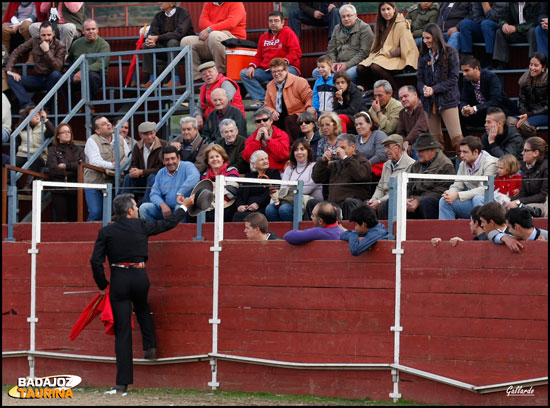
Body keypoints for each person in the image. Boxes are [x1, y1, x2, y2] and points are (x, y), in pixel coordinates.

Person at [90, 192, 195, 395]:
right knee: (142, 307)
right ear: (130, 211)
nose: (138, 210)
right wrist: (184, 207)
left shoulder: (106, 232)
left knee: (123, 331)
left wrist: (102, 284)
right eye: (136, 207)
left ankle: (122, 383)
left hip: (119, 278)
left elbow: (95, 261)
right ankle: (150, 345)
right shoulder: (142, 225)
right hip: (140, 276)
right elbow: (169, 224)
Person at [417, 23, 463, 154]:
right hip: (428, 101)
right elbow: (419, 79)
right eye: (423, 38)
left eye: (428, 38)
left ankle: (466, 170)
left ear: (436, 37)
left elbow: (453, 79)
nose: (425, 41)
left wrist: (434, 89)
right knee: (435, 143)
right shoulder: (423, 56)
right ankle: (439, 171)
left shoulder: (451, 52)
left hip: (447, 99)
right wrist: (424, 89)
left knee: (457, 139)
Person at [240, 10, 301, 108]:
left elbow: (295, 52)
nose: (273, 23)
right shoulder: (263, 37)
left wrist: (283, 63)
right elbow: (259, 56)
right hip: (268, 70)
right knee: (244, 73)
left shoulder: (289, 34)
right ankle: (263, 100)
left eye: (276, 21)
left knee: (282, 73)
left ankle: (281, 100)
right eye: (271, 21)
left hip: (288, 68)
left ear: (282, 22)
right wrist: (252, 66)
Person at [356, 2, 419, 94]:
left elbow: (407, 46)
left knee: (375, 67)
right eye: (383, 10)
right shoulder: (381, 24)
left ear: (394, 9)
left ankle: (395, 92)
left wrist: (389, 54)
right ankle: (372, 91)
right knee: (360, 68)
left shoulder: (401, 24)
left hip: (398, 57)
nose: (386, 12)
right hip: (382, 56)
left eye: (388, 9)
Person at [6, 21, 65, 113]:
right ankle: (28, 106)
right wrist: (10, 70)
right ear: (39, 34)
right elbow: (16, 52)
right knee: (12, 80)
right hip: (37, 78)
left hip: (51, 80)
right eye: (43, 35)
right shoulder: (35, 40)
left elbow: (57, 67)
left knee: (56, 74)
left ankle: (46, 109)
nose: (46, 38)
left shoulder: (60, 46)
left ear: (53, 33)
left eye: (49, 35)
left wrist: (47, 51)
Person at [311, 133, 372, 220]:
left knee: (349, 202)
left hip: (354, 204)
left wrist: (346, 158)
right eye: (338, 148)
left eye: (343, 148)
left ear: (353, 147)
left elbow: (360, 176)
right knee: (312, 203)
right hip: (333, 205)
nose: (339, 151)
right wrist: (323, 161)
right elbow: (316, 178)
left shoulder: (363, 162)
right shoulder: (335, 164)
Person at [179, 2, 247, 81]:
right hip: (213, 37)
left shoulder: (236, 3)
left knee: (215, 36)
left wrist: (210, 30)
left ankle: (221, 74)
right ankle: (197, 78)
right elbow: (202, 22)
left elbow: (231, 22)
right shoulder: (208, 3)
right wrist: (217, 30)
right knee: (186, 41)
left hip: (234, 40)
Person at [438, 136, 498, 220]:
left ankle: (481, 230)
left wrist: (458, 195)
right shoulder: (463, 163)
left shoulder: (490, 163)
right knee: (444, 201)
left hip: (493, 204)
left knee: (478, 198)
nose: (461, 155)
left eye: (465, 152)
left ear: (476, 152)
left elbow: (485, 189)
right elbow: (457, 184)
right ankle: (447, 232)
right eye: (460, 152)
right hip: (472, 201)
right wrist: (450, 193)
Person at [84, 116, 130, 221]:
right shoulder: (92, 140)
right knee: (96, 213)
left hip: (113, 182)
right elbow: (95, 162)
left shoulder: (120, 139)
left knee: (111, 213)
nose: (108, 124)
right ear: (97, 131)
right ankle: (89, 236)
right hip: (94, 183)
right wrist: (115, 165)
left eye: (108, 122)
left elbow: (128, 157)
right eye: (104, 124)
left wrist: (122, 165)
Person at [265, 139, 323, 222]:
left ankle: (293, 233)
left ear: (308, 151)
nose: (299, 152)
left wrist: (292, 189)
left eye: (302, 149)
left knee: (284, 209)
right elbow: (283, 188)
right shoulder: (289, 168)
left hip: (308, 203)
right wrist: (294, 190)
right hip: (289, 200)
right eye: (296, 150)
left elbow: (307, 189)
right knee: (269, 209)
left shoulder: (315, 167)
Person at [139, 145, 200, 222]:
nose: (170, 162)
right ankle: (153, 231)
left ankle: (179, 233)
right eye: (167, 160)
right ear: (163, 161)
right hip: (166, 209)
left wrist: (180, 193)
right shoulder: (161, 173)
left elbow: (195, 177)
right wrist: (162, 205)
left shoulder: (187, 166)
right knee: (144, 208)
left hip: (185, 208)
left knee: (179, 208)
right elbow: (154, 194)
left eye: (173, 158)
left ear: (178, 158)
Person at [140, 2, 194, 88]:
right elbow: (152, 31)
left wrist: (157, 38)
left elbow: (180, 33)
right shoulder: (158, 16)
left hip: (182, 50)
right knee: (146, 46)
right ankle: (152, 79)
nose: (159, 2)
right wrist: (151, 40)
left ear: (172, 3)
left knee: (172, 42)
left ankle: (175, 79)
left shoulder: (183, 13)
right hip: (164, 50)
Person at [460, 55, 518, 130]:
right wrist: (464, 108)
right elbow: (464, 99)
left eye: (467, 70)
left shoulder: (490, 77)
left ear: (476, 68)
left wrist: (474, 108)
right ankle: (463, 140)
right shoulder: (466, 80)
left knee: (491, 110)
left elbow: (496, 101)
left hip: (499, 111)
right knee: (458, 112)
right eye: (463, 71)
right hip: (481, 114)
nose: (464, 74)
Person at [264, 58, 314, 143]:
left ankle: (292, 147)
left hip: (298, 114)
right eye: (274, 72)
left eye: (279, 71)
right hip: (279, 116)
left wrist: (309, 108)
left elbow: (309, 98)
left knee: (289, 120)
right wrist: (272, 112)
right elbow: (267, 105)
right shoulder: (270, 86)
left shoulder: (299, 81)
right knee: (267, 122)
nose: (276, 74)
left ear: (286, 70)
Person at [321, 4, 374, 84]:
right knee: (317, 72)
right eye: (343, 16)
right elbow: (331, 50)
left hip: (356, 64)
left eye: (349, 15)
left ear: (355, 16)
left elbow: (364, 53)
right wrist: (333, 64)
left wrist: (347, 65)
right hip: (338, 63)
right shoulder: (337, 28)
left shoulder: (364, 28)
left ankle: (343, 94)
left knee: (345, 76)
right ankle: (331, 94)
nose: (346, 19)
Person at [406, 133, 455, 219]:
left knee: (426, 202)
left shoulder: (446, 165)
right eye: (417, 151)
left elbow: (441, 191)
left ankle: (432, 231)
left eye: (421, 151)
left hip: (432, 202)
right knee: (389, 203)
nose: (417, 154)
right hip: (415, 200)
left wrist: (419, 200)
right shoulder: (416, 165)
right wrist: (407, 199)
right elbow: (409, 185)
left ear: (432, 150)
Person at [367, 134, 415, 220]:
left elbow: (400, 191)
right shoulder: (386, 164)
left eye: (389, 147)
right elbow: (380, 187)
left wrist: (379, 201)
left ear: (399, 147)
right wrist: (373, 199)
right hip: (383, 199)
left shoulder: (411, 164)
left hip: (396, 200)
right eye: (385, 147)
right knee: (365, 206)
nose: (386, 151)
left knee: (383, 206)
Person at [121, 121, 167, 205]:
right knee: (128, 177)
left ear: (155, 132)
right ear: (140, 135)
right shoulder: (137, 146)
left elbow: (161, 169)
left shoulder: (163, 145)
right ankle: (124, 207)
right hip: (142, 178)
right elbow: (134, 163)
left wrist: (142, 172)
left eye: (151, 133)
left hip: (158, 179)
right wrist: (133, 171)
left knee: (152, 177)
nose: (149, 137)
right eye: (146, 134)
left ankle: (144, 206)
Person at [67, 19, 110, 107]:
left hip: (96, 76)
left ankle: (90, 104)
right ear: (83, 31)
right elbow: (70, 59)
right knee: (63, 80)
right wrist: (74, 72)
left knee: (91, 76)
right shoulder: (76, 44)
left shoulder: (104, 45)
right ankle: (73, 106)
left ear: (97, 30)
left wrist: (83, 71)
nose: (91, 31)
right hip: (78, 75)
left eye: (93, 29)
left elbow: (100, 65)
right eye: (88, 29)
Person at [46, 123, 84, 222]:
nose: (67, 134)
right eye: (64, 132)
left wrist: (66, 166)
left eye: (69, 132)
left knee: (75, 219)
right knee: (61, 219)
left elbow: (82, 167)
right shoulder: (52, 150)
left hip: (76, 187)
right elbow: (53, 170)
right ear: (58, 135)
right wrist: (74, 169)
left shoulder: (79, 149)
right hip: (59, 188)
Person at [232, 150, 281, 222]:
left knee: (255, 217)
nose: (265, 161)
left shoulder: (274, 173)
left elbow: (273, 192)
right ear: (254, 164)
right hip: (248, 207)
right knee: (237, 216)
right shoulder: (249, 176)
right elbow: (240, 194)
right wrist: (240, 205)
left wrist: (258, 204)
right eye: (261, 159)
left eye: (266, 158)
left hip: (264, 205)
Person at [451, 2, 506, 67]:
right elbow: (477, 18)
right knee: (465, 23)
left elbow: (496, 18)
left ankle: (490, 57)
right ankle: (467, 57)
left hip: (498, 28)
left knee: (486, 24)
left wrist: (485, 4)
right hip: (483, 28)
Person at [194, 61, 244, 129]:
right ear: (202, 78)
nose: (208, 75)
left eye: (210, 71)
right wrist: (198, 115)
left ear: (216, 72)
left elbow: (225, 103)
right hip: (212, 121)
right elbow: (199, 106)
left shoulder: (226, 82)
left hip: (230, 120)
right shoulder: (204, 88)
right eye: (204, 74)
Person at [15, 106, 53, 192]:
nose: (37, 116)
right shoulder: (21, 129)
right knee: (11, 163)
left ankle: (28, 186)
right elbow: (17, 144)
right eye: (34, 114)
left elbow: (52, 132)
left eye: (38, 114)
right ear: (26, 117)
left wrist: (46, 119)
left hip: (39, 156)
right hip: (23, 154)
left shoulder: (44, 127)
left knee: (36, 162)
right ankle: (16, 187)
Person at [506, 136, 548, 216]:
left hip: (544, 205)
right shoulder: (525, 166)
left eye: (526, 150)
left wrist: (518, 202)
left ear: (536, 153)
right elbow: (523, 193)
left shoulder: (546, 167)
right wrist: (507, 200)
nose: (522, 153)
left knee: (519, 210)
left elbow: (543, 196)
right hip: (530, 202)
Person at [510, 52, 548, 139]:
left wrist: (529, 115)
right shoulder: (525, 79)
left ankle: (534, 144)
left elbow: (546, 107)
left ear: (543, 67)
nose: (532, 68)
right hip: (528, 114)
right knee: (509, 121)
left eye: (536, 65)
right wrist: (524, 114)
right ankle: (522, 148)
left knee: (522, 124)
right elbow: (522, 101)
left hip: (544, 114)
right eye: (531, 64)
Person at [491, 2, 539, 70]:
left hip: (528, 31)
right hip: (516, 32)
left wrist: (516, 28)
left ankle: (532, 63)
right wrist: (504, 24)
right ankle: (502, 63)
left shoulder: (535, 3)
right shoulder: (511, 3)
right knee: (500, 32)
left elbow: (535, 22)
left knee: (533, 31)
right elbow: (504, 17)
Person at [241, 108, 290, 174]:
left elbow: (283, 156)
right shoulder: (251, 138)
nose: (262, 123)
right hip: (258, 174)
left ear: (271, 121)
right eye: (258, 121)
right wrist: (256, 141)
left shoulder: (282, 135)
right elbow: (247, 158)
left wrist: (269, 140)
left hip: (278, 173)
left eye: (265, 120)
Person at [201, 143, 240, 222]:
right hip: (210, 206)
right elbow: (203, 195)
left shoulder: (231, 170)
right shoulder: (205, 175)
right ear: (208, 161)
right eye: (211, 157)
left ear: (223, 158)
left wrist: (214, 188)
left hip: (228, 205)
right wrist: (221, 188)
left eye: (217, 156)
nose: (215, 159)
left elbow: (231, 192)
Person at [396, 85, 428, 160]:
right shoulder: (402, 113)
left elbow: (420, 128)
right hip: (409, 143)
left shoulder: (424, 107)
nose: (403, 99)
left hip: (425, 140)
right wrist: (405, 143)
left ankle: (419, 170)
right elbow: (400, 132)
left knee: (418, 141)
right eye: (401, 98)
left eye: (405, 96)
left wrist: (408, 141)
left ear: (415, 95)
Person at [353, 111, 387, 178]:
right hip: (360, 169)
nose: (358, 127)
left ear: (370, 124)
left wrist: (365, 165)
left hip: (377, 170)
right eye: (356, 125)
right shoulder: (355, 138)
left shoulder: (378, 135)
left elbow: (381, 155)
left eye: (361, 124)